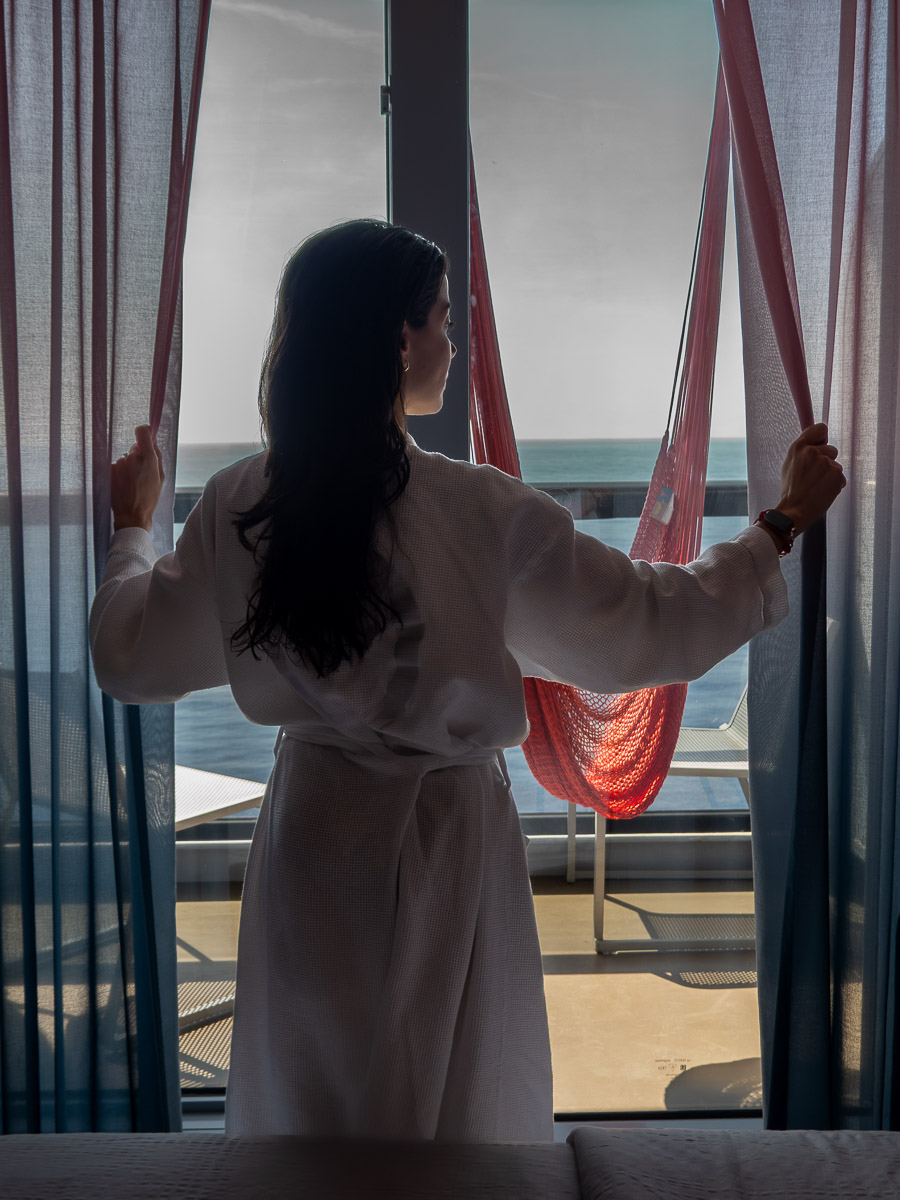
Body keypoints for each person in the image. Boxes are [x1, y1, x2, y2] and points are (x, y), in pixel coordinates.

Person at [89, 219, 846, 1143]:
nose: (455, 340)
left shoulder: (244, 506)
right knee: (460, 1114)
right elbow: (650, 621)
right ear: (399, 338)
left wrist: (133, 528)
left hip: (316, 842)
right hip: (451, 845)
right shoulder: (479, 512)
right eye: (445, 318)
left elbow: (128, 654)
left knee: (315, 1113)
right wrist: (779, 524)